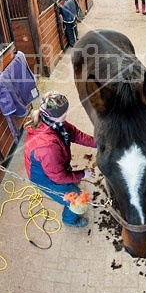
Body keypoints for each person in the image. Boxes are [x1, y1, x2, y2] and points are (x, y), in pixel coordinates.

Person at [23, 91, 96, 227]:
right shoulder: (47, 147)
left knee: (70, 180)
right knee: (76, 199)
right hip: (46, 179)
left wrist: (97, 143)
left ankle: (72, 183)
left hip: (53, 168)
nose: (66, 115)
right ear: (54, 116)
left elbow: (75, 134)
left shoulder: (54, 122)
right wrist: (83, 174)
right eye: (64, 113)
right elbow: (59, 177)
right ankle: (70, 220)